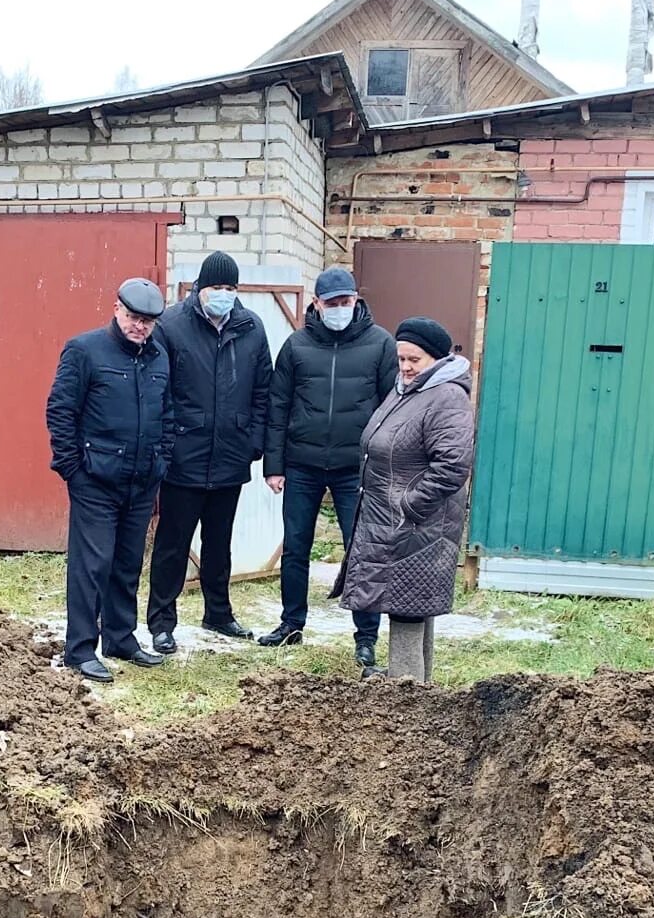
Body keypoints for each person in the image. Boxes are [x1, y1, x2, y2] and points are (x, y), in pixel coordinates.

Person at [260, 267, 397, 675]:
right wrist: (274, 464)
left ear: (356, 300)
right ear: (316, 304)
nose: (340, 309)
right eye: (332, 303)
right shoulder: (296, 347)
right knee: (296, 546)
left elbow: (392, 408)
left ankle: (366, 636)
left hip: (356, 468)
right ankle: (291, 623)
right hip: (302, 464)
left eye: (346, 301)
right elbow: (277, 407)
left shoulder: (380, 344)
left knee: (363, 549)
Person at [45, 277, 173, 683]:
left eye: (148, 322)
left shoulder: (158, 357)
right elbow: (61, 411)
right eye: (134, 317)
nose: (140, 327)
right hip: (96, 480)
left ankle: (121, 638)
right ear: (117, 309)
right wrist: (73, 470)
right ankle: (80, 649)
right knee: (91, 565)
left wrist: (161, 459)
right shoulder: (85, 351)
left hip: (141, 480)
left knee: (127, 563)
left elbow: (167, 413)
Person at [335, 317, 475, 684]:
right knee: (409, 606)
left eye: (415, 359)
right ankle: (415, 683)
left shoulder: (446, 397)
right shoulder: (407, 390)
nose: (406, 367)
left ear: (437, 359)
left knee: (407, 608)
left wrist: (410, 505)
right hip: (395, 519)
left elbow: (453, 466)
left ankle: (405, 693)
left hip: (419, 523)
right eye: (401, 359)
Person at [145, 252, 272, 654]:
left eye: (231, 288)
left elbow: (262, 391)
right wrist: (168, 445)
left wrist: (253, 442)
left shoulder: (251, 328)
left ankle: (218, 613)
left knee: (220, 542)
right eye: (216, 287)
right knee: (173, 543)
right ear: (199, 288)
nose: (223, 295)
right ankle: (162, 622)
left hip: (231, 455)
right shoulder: (171, 326)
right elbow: (158, 390)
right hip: (185, 455)